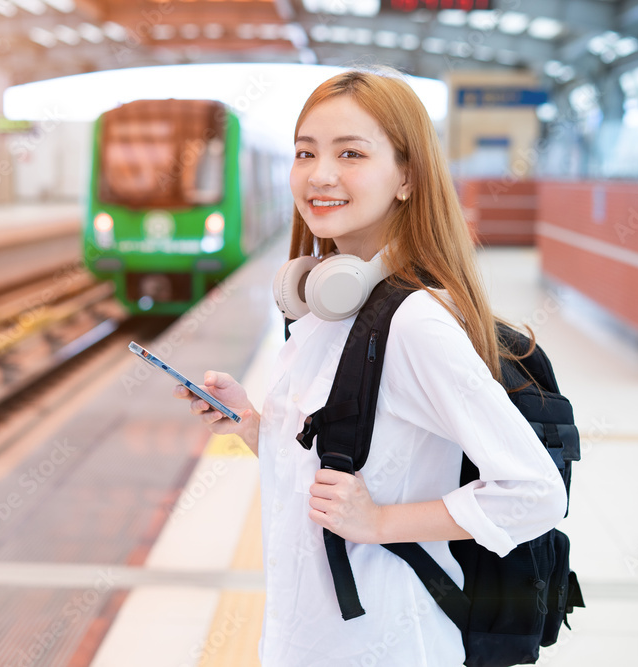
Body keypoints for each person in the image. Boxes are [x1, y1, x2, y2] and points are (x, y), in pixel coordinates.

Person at [174, 67, 568, 667]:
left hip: (383, 644)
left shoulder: (415, 323)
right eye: (305, 153)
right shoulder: (329, 308)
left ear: (407, 177)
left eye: (350, 153)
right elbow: (353, 458)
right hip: (306, 638)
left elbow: (536, 492)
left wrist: (380, 521)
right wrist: (255, 424)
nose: (319, 174)